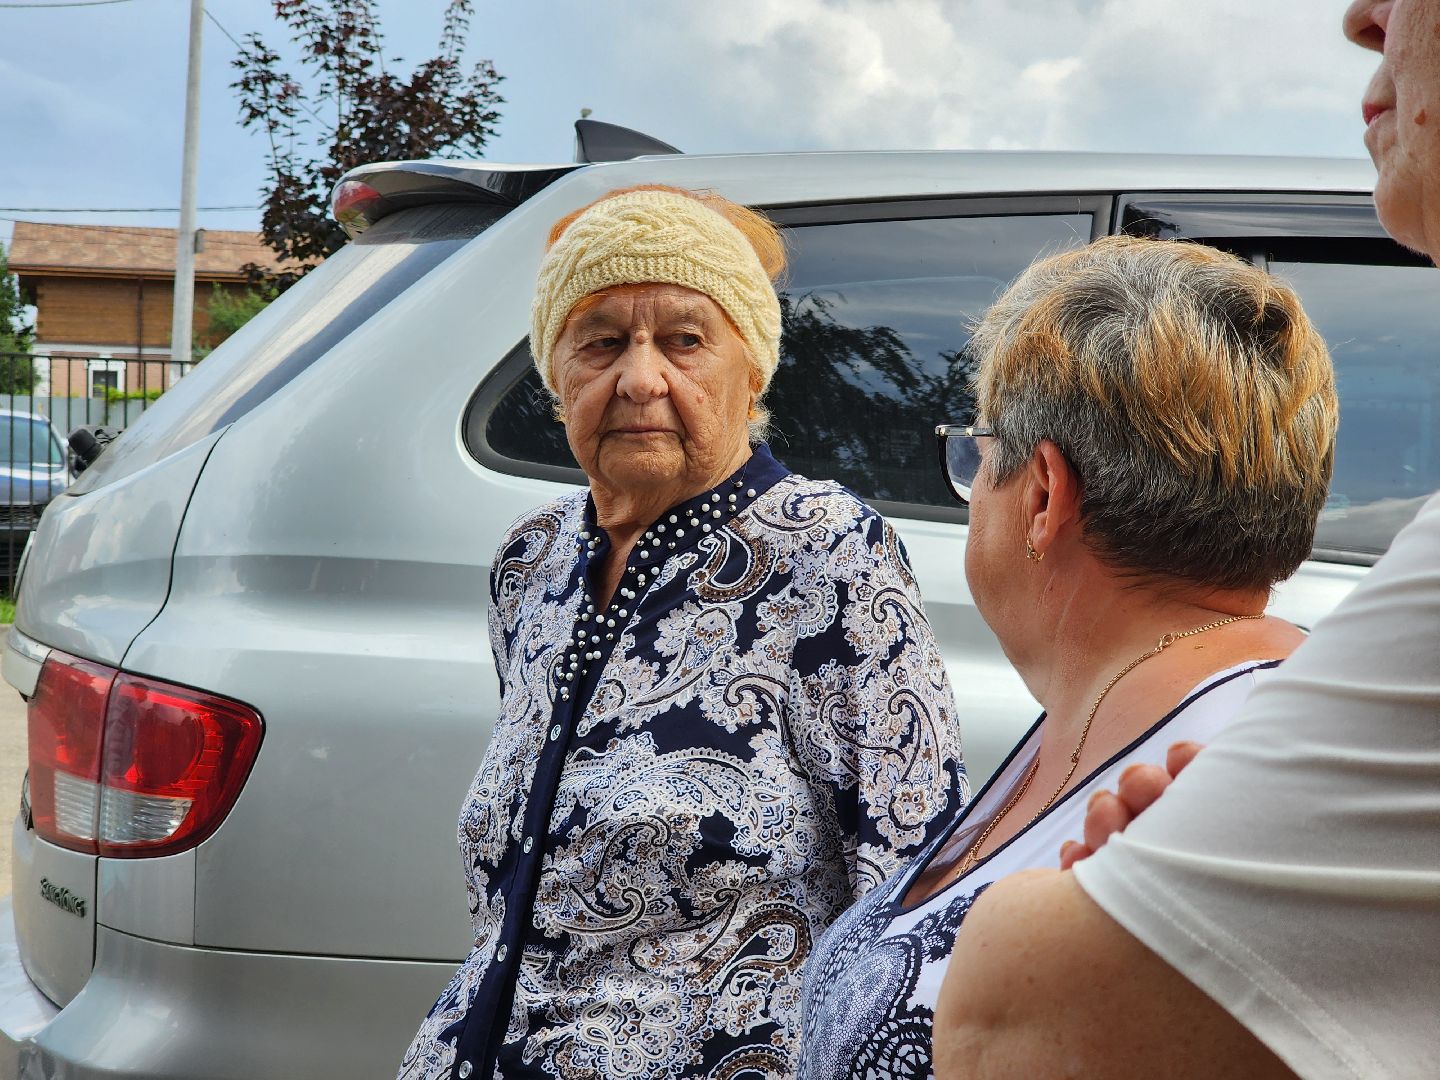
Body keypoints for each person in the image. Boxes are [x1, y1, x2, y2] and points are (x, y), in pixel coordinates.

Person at [928, 3, 1440, 1077]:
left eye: (975, 455)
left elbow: (1022, 1020)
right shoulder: (1105, 724)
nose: (1362, 18)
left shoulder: (1221, 734)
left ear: (1044, 495)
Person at [397, 184, 967, 1080]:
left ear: (754, 371)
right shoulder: (533, 560)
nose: (640, 377)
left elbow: (915, 888)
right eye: (601, 341)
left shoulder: (826, 550)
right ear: (558, 376)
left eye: (685, 339)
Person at [795, 234, 1339, 1080]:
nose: (974, 490)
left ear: (1043, 495)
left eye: (978, 455)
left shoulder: (1239, 765)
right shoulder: (1114, 705)